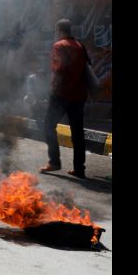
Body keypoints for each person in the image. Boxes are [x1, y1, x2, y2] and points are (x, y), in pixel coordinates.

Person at [40, 19, 88, 179]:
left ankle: (54, 162)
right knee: (78, 133)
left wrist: (53, 91)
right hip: (79, 95)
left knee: (48, 125)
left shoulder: (59, 46)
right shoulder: (79, 46)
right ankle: (79, 169)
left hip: (62, 94)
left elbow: (58, 69)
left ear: (59, 29)